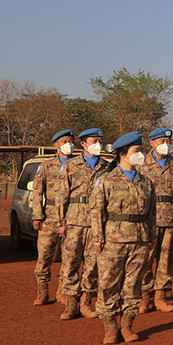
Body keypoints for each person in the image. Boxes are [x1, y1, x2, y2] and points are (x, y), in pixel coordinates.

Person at [90, 132, 155, 345]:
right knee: (109, 283)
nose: (141, 155)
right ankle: (110, 326)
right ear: (123, 155)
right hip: (113, 239)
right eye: (136, 152)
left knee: (133, 284)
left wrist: (152, 236)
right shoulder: (106, 180)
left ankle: (127, 325)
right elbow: (97, 211)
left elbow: (152, 212)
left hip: (140, 239)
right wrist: (98, 238)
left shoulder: (146, 182)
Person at [55, 127, 111, 320]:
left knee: (93, 264)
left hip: (97, 224)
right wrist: (61, 222)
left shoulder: (107, 166)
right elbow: (61, 195)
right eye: (94, 141)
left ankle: (87, 301)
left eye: (99, 141)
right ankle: (71, 304)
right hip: (74, 222)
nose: (98, 144)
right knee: (70, 262)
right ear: (84, 144)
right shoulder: (71, 166)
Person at [141, 127, 173, 312]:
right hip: (148, 218)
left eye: (168, 142)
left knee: (166, 259)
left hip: (170, 218)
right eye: (162, 142)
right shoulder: (141, 164)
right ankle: (144, 296)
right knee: (145, 258)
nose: (166, 145)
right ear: (152, 143)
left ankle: (160, 294)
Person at [31, 128, 74, 306]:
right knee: (45, 256)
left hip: (71, 216)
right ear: (56, 144)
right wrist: (37, 215)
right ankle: (42, 292)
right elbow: (37, 191)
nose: (69, 144)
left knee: (69, 257)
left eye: (71, 141)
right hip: (49, 216)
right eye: (64, 141)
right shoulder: (47, 165)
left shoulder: (78, 165)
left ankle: (62, 291)